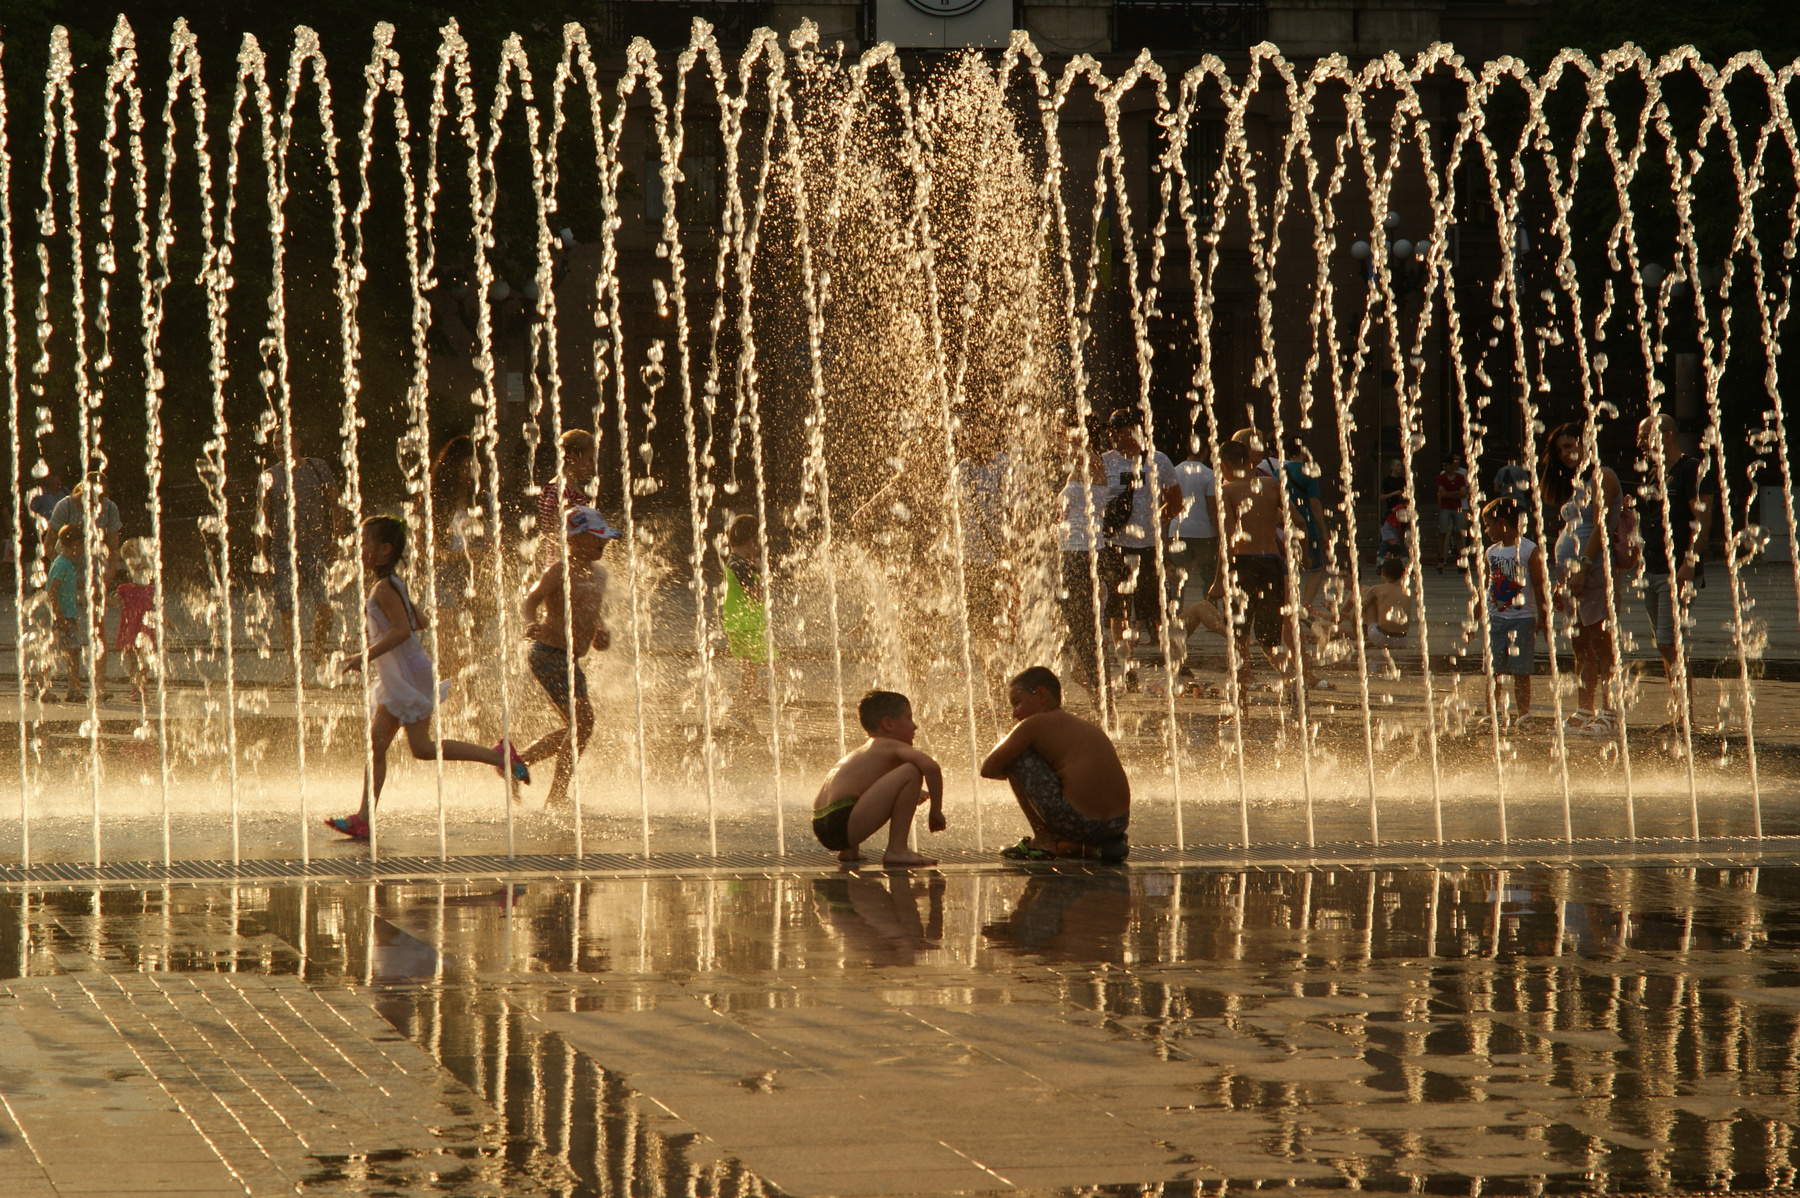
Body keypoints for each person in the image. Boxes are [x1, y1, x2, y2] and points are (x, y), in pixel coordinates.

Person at [326, 515, 528, 841]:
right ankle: (364, 818)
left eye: (364, 543)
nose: (358, 549)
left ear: (385, 549)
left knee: (409, 747)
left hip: (406, 676)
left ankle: (499, 756)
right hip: (407, 673)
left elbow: (404, 630)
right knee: (396, 746)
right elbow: (419, 621)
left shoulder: (384, 588)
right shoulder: (393, 584)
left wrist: (365, 655)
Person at [520, 506, 618, 807]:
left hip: (568, 659)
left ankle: (516, 762)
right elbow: (531, 601)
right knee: (583, 724)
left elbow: (590, 610)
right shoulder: (559, 571)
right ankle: (557, 796)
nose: (603, 543)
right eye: (596, 537)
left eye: (604, 538)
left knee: (577, 727)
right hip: (548, 653)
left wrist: (600, 630)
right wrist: (530, 623)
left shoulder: (599, 575)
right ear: (573, 539)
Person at [979, 666, 1130, 862]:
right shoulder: (1085, 726)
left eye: (1017, 703)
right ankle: (1091, 847)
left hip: (1080, 824)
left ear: (1042, 695)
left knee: (1015, 758)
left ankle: (1044, 841)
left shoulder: (1033, 724)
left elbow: (988, 768)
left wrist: (1019, 777)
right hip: (1117, 824)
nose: (1014, 714)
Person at [1635, 412, 1716, 737]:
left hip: (1677, 571)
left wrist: (1690, 561)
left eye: (1644, 436)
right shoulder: (1655, 474)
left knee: (1671, 643)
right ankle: (1680, 714)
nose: (1640, 443)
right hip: (1652, 569)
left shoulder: (1691, 469)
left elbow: (1703, 518)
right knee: (1664, 645)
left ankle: (1686, 718)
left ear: (1666, 435)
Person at [1543, 422, 1623, 737]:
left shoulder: (1603, 476)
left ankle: (1610, 712)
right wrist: (1560, 580)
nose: (1566, 453)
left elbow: (1601, 527)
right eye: (1560, 449)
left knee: (1602, 643)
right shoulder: (1574, 483)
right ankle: (1584, 709)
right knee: (1580, 644)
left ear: (1586, 442)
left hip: (1594, 570)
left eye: (1570, 445)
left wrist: (1584, 567)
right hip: (1571, 574)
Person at [811, 689, 945, 867]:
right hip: (842, 822)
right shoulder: (890, 745)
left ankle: (848, 852)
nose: (915, 726)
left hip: (823, 824)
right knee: (912, 771)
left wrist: (910, 793)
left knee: (855, 793)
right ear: (888, 724)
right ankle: (897, 850)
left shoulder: (866, 751)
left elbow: (867, 790)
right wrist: (936, 811)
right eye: (909, 718)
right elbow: (932, 768)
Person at [1101, 408, 1180, 685]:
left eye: (1119, 429)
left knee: (1157, 610)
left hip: (1148, 548)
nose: (1113, 434)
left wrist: (1156, 522)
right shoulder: (1104, 461)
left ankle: (1174, 666)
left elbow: (1176, 501)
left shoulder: (1159, 460)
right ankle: (1127, 668)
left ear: (1135, 430)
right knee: (1118, 610)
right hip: (1115, 547)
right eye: (1111, 429)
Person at [1212, 439, 1297, 686]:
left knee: (1238, 637)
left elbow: (1228, 539)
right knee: (1269, 639)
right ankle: (1292, 680)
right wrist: (1303, 555)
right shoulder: (1271, 485)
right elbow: (1298, 520)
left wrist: (1218, 580)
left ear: (1225, 465)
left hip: (1243, 565)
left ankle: (1241, 703)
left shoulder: (1227, 491)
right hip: (1271, 564)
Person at [263, 430, 342, 677]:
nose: (279, 447)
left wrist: (337, 539)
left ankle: (317, 649)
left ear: (298, 442)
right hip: (283, 552)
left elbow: (336, 504)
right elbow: (262, 519)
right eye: (275, 443)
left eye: (283, 441)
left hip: (317, 549)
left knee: (325, 606)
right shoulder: (269, 476)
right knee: (286, 612)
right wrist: (262, 558)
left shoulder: (318, 467)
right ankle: (293, 667)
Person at [1058, 423, 1121, 698]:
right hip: (1075, 553)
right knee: (1080, 625)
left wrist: (1056, 435)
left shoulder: (1092, 461)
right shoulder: (1082, 466)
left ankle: (1100, 693)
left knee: (1084, 627)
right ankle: (1099, 690)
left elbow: (1064, 449)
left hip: (1083, 553)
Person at [1479, 497, 1549, 730]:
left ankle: (1523, 715)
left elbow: (1538, 584)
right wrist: (1478, 615)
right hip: (1496, 619)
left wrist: (1543, 616)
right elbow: (1485, 586)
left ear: (1502, 523)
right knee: (1493, 671)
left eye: (1488, 525)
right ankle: (1492, 713)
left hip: (1522, 620)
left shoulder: (1529, 549)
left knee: (1521, 671)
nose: (1486, 531)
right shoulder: (1491, 552)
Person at [49, 473, 122, 694]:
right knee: (67, 627)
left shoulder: (109, 508)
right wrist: (66, 573)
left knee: (98, 629)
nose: (95, 501)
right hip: (67, 570)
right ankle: (72, 684)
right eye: (90, 496)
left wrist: (107, 577)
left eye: (100, 496)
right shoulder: (65, 506)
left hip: (94, 571)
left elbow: (114, 548)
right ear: (82, 491)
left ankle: (99, 685)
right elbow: (48, 545)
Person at [429, 435, 486, 684]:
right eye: (464, 467)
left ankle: (470, 697)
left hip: (474, 579)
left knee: (471, 646)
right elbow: (430, 551)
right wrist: (463, 554)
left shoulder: (484, 502)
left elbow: (493, 540)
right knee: (446, 645)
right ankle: (447, 696)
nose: (469, 474)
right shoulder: (436, 503)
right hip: (444, 577)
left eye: (473, 468)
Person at [955, 420, 1016, 643]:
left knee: (1003, 614)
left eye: (977, 437)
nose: (971, 442)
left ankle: (1003, 657)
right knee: (976, 617)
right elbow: (955, 511)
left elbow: (1016, 511)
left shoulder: (1005, 464)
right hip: (970, 556)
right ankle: (988, 659)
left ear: (989, 437)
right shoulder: (961, 469)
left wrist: (1011, 549)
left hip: (999, 555)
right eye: (966, 438)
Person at [721, 514, 775, 719]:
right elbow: (757, 595)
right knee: (779, 672)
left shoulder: (736, 562)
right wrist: (762, 572)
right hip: (748, 627)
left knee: (749, 673)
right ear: (752, 541)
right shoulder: (740, 566)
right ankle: (746, 709)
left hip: (737, 625)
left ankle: (740, 712)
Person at [1168, 441, 1218, 613]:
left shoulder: (1174, 471)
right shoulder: (1209, 474)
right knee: (1208, 575)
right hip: (1204, 532)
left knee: (1177, 577)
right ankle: (1211, 612)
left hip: (1178, 530)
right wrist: (1219, 533)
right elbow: (1212, 509)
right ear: (1204, 451)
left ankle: (1175, 613)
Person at [1283, 437, 1331, 609]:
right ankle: (1306, 606)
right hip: (1307, 525)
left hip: (1285, 526)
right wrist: (1324, 530)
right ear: (1304, 450)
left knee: (1289, 569)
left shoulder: (1279, 471)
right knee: (1316, 568)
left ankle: (1290, 605)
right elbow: (1315, 503)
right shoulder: (1308, 471)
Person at [537, 429, 599, 559]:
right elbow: (568, 533)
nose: (593, 465)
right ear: (573, 458)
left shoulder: (552, 486)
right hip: (569, 561)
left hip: (558, 558)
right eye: (590, 459)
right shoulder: (564, 491)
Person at [45, 524, 88, 703]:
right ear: (76, 543)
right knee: (68, 652)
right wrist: (61, 618)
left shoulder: (67, 564)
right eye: (84, 545)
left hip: (68, 616)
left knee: (67, 652)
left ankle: (61, 688)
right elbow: (52, 591)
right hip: (61, 617)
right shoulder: (62, 564)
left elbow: (67, 585)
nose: (84, 549)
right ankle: (71, 689)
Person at [111, 538, 157, 705]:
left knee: (145, 661)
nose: (134, 573)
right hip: (130, 629)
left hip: (145, 629)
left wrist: (165, 621)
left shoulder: (150, 590)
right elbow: (113, 602)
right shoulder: (125, 589)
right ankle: (135, 688)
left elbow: (157, 609)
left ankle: (142, 684)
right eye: (131, 570)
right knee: (133, 661)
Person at [1360, 556, 1414, 650]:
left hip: (1381, 637)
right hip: (1402, 640)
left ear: (1383, 572)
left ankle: (1368, 638)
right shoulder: (1407, 591)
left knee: (1370, 602)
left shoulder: (1376, 589)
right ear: (1402, 574)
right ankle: (1372, 640)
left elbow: (1360, 608)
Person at [1435, 456, 1469, 572]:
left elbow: (1464, 493)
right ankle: (1441, 559)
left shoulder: (1460, 477)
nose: (1444, 468)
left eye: (1446, 465)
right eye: (1443, 466)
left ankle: (1460, 560)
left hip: (1456, 507)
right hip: (1446, 508)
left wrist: (1449, 494)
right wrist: (1456, 493)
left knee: (1458, 534)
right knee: (1443, 533)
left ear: (1451, 465)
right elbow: (1443, 493)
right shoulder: (1441, 477)